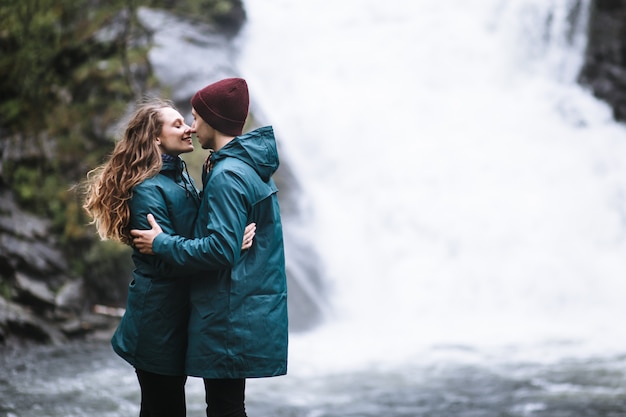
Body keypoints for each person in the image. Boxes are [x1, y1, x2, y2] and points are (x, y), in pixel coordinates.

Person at [83, 97, 256, 417]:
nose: (189, 128)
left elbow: (193, 227)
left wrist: (229, 236)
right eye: (177, 124)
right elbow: (164, 259)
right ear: (155, 138)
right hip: (157, 323)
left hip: (178, 317)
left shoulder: (179, 176)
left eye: (186, 122)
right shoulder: (147, 188)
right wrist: (226, 247)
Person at [131, 78, 288, 417]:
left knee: (225, 407)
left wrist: (163, 242)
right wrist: (228, 240)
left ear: (213, 120)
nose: (191, 125)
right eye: (182, 121)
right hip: (228, 308)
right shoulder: (233, 166)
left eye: (196, 116)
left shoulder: (227, 173)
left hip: (230, 311)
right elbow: (219, 240)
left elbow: (219, 248)